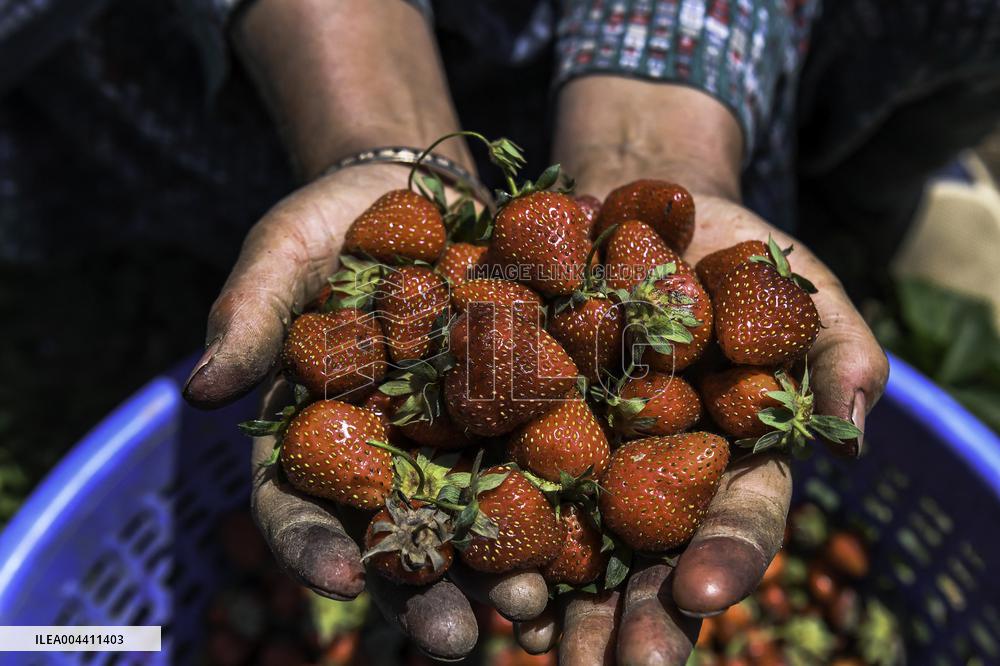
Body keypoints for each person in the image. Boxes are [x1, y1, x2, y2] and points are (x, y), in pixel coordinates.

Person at [174, 1, 913, 663]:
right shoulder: (500, 331)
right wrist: (381, 147)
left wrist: (640, 152)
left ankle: (872, 187)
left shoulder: (559, 325)